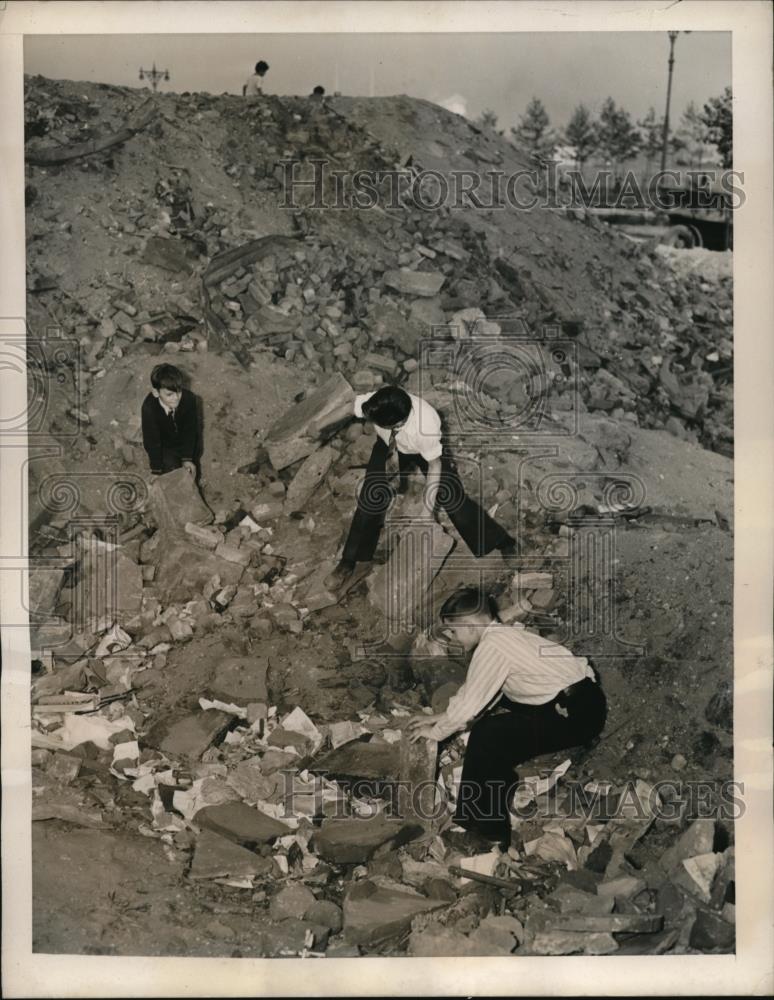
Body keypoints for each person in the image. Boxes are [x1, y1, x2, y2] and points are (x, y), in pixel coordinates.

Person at [406, 587, 607, 850]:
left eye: (454, 631)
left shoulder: (493, 647)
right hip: (579, 703)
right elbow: (478, 690)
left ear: (468, 625)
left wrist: (436, 732)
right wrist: (442, 716)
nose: (453, 638)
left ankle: (490, 834)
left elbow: (470, 705)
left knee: (488, 736)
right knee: (496, 711)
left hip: (576, 714)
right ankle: (493, 791)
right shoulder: (504, 635)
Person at [321, 385, 516, 590]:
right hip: (390, 446)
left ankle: (502, 542)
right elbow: (346, 408)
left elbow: (435, 465)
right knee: (370, 498)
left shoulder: (426, 424)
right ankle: (350, 561)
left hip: (421, 451)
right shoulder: (379, 402)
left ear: (398, 422)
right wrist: (318, 424)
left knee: (454, 500)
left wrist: (426, 511)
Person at [141, 364, 199, 478]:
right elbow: (152, 441)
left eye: (179, 391)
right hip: (165, 446)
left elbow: (190, 431)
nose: (176, 397)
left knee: (191, 471)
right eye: (169, 394)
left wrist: (187, 458)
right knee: (173, 473)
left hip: (185, 441)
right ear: (156, 392)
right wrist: (156, 469)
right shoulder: (149, 409)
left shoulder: (189, 399)